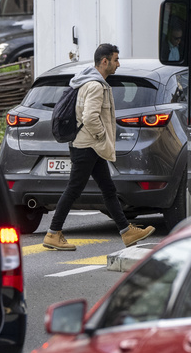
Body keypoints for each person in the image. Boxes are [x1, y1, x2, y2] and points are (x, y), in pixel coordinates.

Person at [43, 44, 157, 251]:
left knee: (108, 189)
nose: (118, 64)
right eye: (115, 60)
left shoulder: (87, 81)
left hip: (89, 145)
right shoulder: (95, 86)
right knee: (74, 189)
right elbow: (90, 117)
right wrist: (102, 136)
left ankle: (126, 232)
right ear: (104, 61)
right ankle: (53, 233)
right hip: (88, 146)